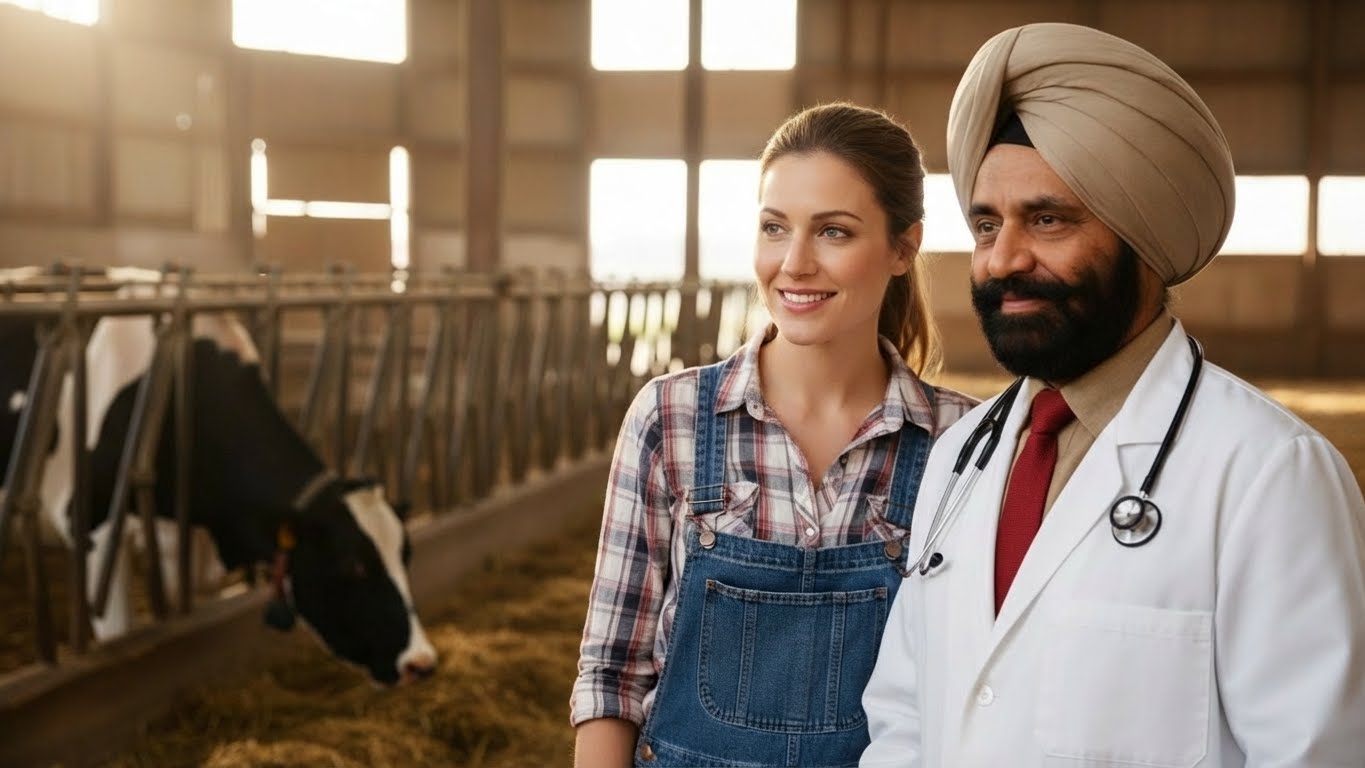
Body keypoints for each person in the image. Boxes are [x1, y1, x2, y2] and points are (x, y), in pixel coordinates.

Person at [860, 22, 1365, 768]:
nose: (1003, 259)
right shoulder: (961, 458)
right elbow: (902, 718)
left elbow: (1312, 754)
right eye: (986, 224)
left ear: (1143, 239)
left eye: (1048, 219)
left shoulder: (1269, 473)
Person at [570, 102, 978, 768]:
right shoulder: (668, 419)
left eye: (834, 233)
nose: (793, 263)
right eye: (773, 227)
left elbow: (970, 685)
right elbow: (611, 672)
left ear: (903, 248)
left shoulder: (961, 442)